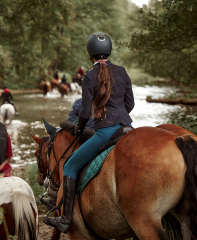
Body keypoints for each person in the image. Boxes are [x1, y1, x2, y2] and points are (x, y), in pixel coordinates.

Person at [43, 32, 135, 233]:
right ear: (108, 51)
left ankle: (66, 219)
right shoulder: (122, 71)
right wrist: (119, 116)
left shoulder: (90, 76)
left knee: (69, 166)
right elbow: (130, 104)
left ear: (90, 53)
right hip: (127, 129)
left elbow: (84, 112)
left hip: (106, 132)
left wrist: (79, 127)